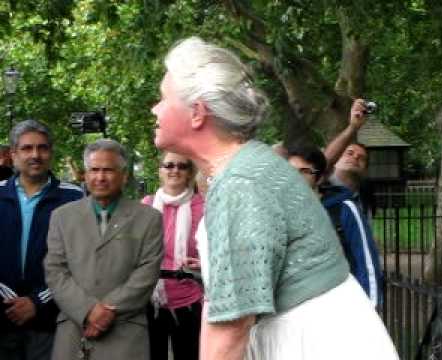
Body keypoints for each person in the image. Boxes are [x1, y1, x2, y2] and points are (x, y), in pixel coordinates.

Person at [151, 36, 398, 360]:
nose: (154, 108)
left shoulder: (241, 182)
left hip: (315, 345)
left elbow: (230, 328)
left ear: (197, 113)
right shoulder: (252, 166)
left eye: (163, 98)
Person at [44, 139, 163, 360]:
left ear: (124, 175)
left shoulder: (149, 218)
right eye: (94, 170)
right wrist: (88, 311)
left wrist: (107, 312)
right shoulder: (62, 217)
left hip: (125, 331)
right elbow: (55, 270)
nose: (100, 177)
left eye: (108, 170)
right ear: (85, 175)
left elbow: (147, 272)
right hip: (74, 329)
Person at [0, 120, 84, 360]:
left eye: (42, 148)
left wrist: (37, 301)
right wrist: (7, 297)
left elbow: (80, 260)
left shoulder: (73, 197)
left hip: (50, 319)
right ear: (13, 154)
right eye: (27, 148)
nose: (35, 155)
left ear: (51, 152)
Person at [141, 152, 204, 360]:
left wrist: (205, 262)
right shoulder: (146, 205)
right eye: (168, 165)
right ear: (160, 170)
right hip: (151, 299)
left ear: (189, 173)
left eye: (182, 166)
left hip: (191, 299)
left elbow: (216, 250)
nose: (174, 170)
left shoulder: (203, 206)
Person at [322, 143, 383, 308]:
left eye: (361, 158)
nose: (355, 158)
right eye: (349, 153)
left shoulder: (364, 197)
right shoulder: (322, 190)